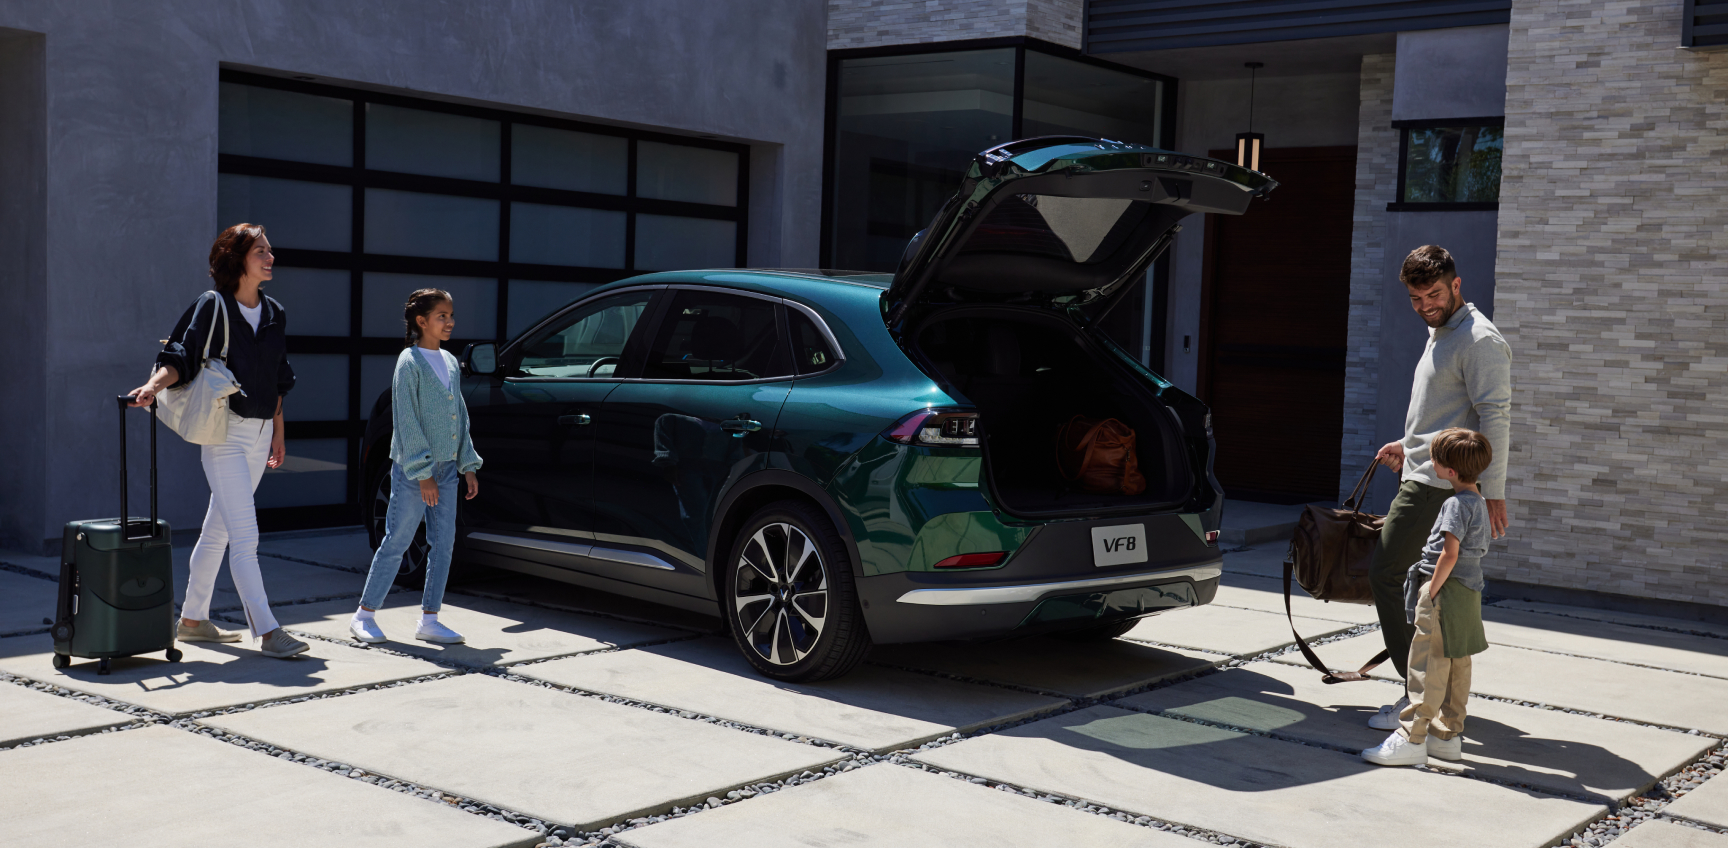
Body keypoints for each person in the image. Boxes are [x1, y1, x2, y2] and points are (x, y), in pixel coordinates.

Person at [127, 223, 309, 658]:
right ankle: (267, 631)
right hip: (224, 434)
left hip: (261, 432)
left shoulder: (274, 312)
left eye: (270, 250)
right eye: (260, 251)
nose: (270, 258)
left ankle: (192, 619)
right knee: (246, 538)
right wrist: (152, 387)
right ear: (237, 258)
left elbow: (279, 378)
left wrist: (279, 433)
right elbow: (180, 357)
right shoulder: (213, 306)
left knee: (219, 531)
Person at [1366, 245, 1511, 731]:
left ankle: (1415, 697)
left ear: (1456, 284)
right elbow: (1446, 414)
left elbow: (1494, 416)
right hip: (1422, 473)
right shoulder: (1441, 331)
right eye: (1415, 296)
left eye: (1433, 293)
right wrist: (1407, 447)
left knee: (1388, 573)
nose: (1425, 304)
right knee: (1418, 587)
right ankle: (1428, 696)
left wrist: (1491, 492)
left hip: (1438, 488)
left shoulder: (1478, 340)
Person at [348, 289, 482, 645]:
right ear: (421, 321)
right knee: (398, 540)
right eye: (442, 316)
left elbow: (461, 417)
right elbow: (405, 420)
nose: (449, 321)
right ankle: (364, 614)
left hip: (448, 469)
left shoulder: (451, 362)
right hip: (413, 471)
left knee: (444, 544)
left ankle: (430, 619)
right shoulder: (409, 362)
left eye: (451, 315)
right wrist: (423, 474)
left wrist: (467, 463)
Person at [1362, 428, 1493, 765]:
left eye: (1435, 458)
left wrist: (1430, 591)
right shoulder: (1478, 500)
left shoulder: (1453, 504)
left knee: (1425, 666)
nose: (1430, 462)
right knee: (1457, 664)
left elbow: (1449, 553)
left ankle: (1412, 738)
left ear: (1450, 472)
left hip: (1444, 591)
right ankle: (1446, 735)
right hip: (1468, 591)